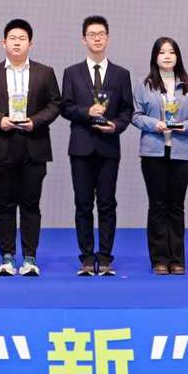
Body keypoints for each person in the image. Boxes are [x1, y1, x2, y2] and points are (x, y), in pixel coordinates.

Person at [0, 19, 63, 277]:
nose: (17, 43)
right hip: (1, 146)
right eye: (12, 38)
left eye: (22, 38)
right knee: (4, 204)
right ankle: (7, 257)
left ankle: (30, 258)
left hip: (34, 146)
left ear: (30, 44)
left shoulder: (45, 72)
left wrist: (36, 121)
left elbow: (55, 104)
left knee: (31, 204)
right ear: (3, 43)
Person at [60, 16, 135, 276]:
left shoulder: (121, 74)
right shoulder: (72, 72)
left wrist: (116, 126)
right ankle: (86, 256)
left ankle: (104, 257)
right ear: (83, 39)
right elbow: (65, 107)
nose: (97, 38)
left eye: (101, 34)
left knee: (107, 203)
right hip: (81, 146)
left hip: (108, 146)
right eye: (92, 34)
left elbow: (127, 110)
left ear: (108, 38)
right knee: (82, 204)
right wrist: (86, 111)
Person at [133, 36, 188, 275]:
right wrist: (155, 124)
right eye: (162, 52)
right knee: (157, 205)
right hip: (153, 151)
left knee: (176, 206)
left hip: (181, 152)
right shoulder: (145, 85)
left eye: (171, 52)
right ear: (155, 57)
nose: (167, 56)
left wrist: (185, 126)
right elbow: (136, 115)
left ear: (177, 57)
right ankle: (159, 259)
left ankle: (177, 259)